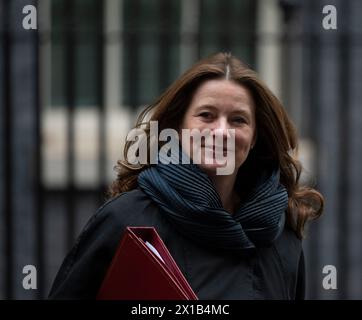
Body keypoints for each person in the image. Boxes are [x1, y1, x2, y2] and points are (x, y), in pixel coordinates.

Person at [49, 52, 324, 299]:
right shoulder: (126, 220)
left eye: (238, 120)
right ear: (178, 128)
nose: (221, 132)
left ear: (254, 138)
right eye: (206, 115)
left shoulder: (281, 237)